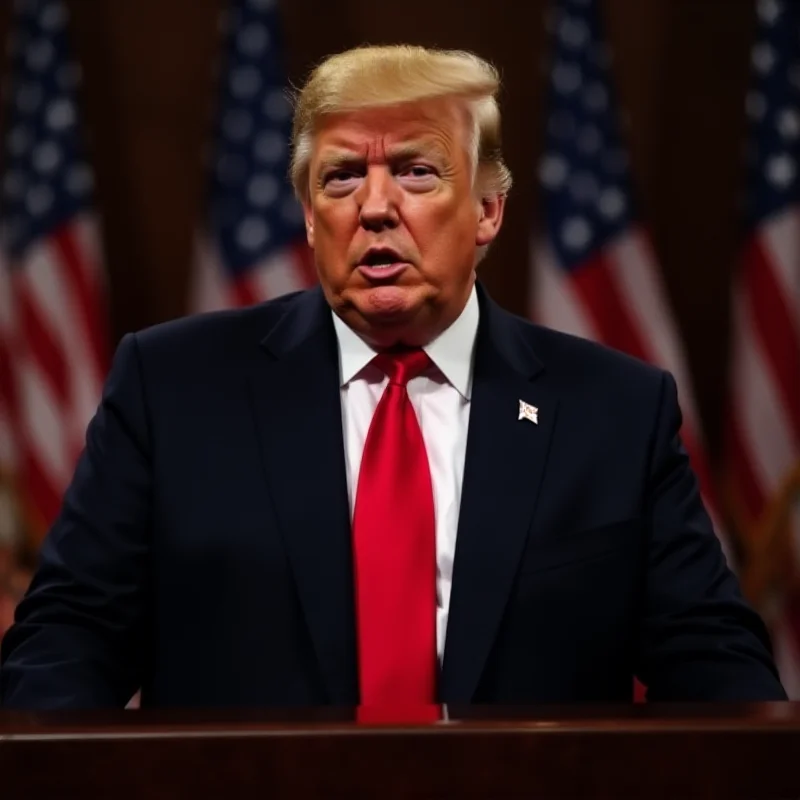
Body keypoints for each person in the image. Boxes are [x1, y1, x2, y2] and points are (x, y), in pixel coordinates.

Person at [0, 45, 787, 709]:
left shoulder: (613, 411)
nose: (375, 207)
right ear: (309, 215)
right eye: (341, 178)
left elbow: (715, 665)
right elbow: (69, 643)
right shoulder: (172, 390)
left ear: (488, 210)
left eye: (416, 171)